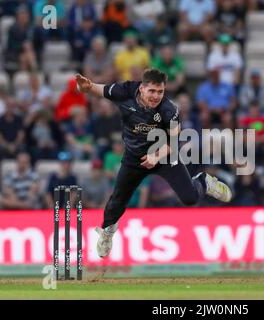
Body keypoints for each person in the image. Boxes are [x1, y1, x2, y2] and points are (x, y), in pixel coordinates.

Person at [75, 68, 232, 259]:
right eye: (152, 91)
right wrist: (88, 87)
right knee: (117, 201)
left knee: (190, 199)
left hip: (164, 156)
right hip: (134, 158)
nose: (156, 96)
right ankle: (107, 232)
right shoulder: (125, 91)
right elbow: (101, 90)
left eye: (160, 92)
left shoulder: (169, 109)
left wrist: (156, 156)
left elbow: (174, 142)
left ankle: (204, 181)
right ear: (142, 88)